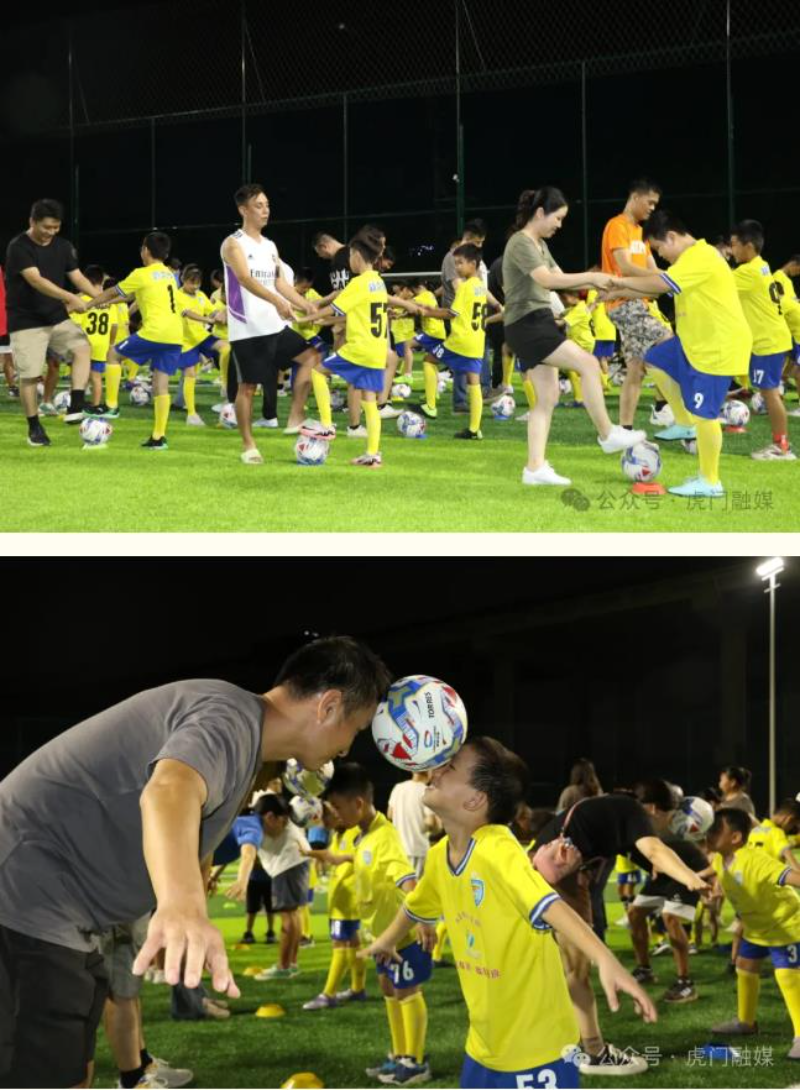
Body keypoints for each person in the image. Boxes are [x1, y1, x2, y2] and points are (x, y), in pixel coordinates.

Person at [0, 635, 391, 1089]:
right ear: (328, 706)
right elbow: (170, 789)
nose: (347, 748)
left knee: (72, 1068)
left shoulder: (244, 740)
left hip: (63, 908)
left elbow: (196, 831)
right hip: (27, 893)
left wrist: (191, 908)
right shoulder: (229, 717)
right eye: (356, 729)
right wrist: (180, 905)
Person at [362, 737, 657, 1089]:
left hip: (538, 1050)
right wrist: (388, 940)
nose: (436, 769)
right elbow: (415, 906)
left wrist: (604, 958)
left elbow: (549, 904)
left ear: (475, 799)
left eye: (450, 767)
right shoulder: (440, 856)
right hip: (483, 1045)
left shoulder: (497, 848)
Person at [532, 791, 709, 1076]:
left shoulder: (609, 814)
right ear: (654, 809)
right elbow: (655, 851)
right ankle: (594, 1051)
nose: (668, 826)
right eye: (669, 816)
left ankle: (555, 1040)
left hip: (542, 868)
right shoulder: (632, 812)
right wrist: (690, 877)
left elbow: (653, 860)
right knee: (576, 970)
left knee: (552, 966)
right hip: (561, 878)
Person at [502, 187, 646, 488]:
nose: (560, 225)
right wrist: (592, 277)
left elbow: (560, 277)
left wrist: (605, 285)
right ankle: (607, 434)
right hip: (528, 324)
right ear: (540, 213)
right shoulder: (520, 242)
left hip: (537, 321)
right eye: (557, 218)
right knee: (589, 364)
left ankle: (534, 468)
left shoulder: (540, 245)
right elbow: (547, 280)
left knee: (548, 398)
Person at [609, 209, 753, 497]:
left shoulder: (701, 257)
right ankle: (685, 424)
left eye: (659, 248)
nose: (660, 256)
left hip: (717, 347)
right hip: (693, 343)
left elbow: (662, 284)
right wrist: (616, 293)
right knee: (654, 360)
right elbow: (659, 287)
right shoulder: (690, 260)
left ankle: (710, 481)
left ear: (672, 237)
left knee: (706, 415)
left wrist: (621, 283)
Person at [313, 762, 432, 1086]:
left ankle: (416, 1061)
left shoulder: (385, 836)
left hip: (401, 935)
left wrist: (422, 918)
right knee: (388, 989)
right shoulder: (361, 836)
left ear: (358, 803)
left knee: (407, 991)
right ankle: (399, 1054)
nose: (334, 814)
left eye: (337, 807)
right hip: (380, 936)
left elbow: (406, 878)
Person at [298, 231, 420, 469]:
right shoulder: (377, 281)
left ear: (357, 255)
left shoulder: (358, 282)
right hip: (376, 349)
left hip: (359, 347)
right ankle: (372, 455)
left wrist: (306, 318)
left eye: (351, 256)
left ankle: (326, 425)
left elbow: (335, 309)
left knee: (318, 373)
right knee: (369, 401)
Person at [220, 183, 315, 465]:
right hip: (248, 328)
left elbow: (279, 283)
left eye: (267, 205)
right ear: (243, 210)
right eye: (259, 206)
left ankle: (295, 416)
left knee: (311, 356)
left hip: (274, 326)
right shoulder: (232, 243)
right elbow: (244, 278)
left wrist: (304, 304)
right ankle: (249, 445)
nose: (265, 211)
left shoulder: (270, 245)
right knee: (248, 388)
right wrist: (277, 302)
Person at [4, 197, 102, 447]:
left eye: (56, 227)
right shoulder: (18, 247)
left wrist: (98, 297)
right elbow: (36, 280)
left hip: (56, 317)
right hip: (26, 321)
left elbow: (77, 276)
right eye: (46, 227)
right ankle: (34, 427)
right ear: (32, 222)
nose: (51, 232)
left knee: (82, 348)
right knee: (30, 376)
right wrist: (70, 297)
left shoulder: (63, 246)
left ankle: (76, 404)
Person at [707, 807, 800, 1059]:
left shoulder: (755, 860)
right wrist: (691, 878)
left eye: (715, 829)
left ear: (735, 837)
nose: (709, 833)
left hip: (784, 924)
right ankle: (746, 1023)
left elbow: (791, 876)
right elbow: (711, 871)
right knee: (745, 967)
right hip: (755, 926)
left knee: (787, 975)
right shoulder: (720, 858)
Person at [85, 231, 184, 449]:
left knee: (113, 355)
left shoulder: (141, 273)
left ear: (145, 251)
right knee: (160, 385)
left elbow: (113, 291)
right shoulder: (169, 275)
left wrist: (88, 304)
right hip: (175, 334)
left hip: (155, 332)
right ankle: (158, 437)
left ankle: (111, 405)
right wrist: (109, 303)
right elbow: (131, 295)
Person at [625, 780, 709, 1005]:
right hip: (662, 871)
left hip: (689, 869)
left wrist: (708, 876)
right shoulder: (641, 820)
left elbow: (702, 843)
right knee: (635, 913)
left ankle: (685, 983)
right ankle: (644, 969)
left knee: (670, 917)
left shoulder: (681, 819)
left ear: (651, 806)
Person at [600, 179, 675, 433]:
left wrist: (670, 279)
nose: (652, 208)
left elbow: (652, 268)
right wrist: (667, 280)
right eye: (649, 202)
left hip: (638, 302)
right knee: (668, 341)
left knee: (635, 369)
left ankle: (625, 430)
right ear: (635, 197)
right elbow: (625, 267)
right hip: (622, 302)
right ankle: (671, 411)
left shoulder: (641, 233)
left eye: (655, 204)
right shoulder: (617, 225)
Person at [100, 916, 193, 1089]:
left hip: (129, 906)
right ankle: (132, 1081)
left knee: (130, 984)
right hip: (115, 908)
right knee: (120, 987)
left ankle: (143, 1065)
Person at [730, 220, 796, 461]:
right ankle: (781, 445)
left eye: (734, 245)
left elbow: (717, 282)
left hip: (768, 342)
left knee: (770, 393)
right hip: (771, 339)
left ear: (748, 246)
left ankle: (782, 447)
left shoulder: (747, 272)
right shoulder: (762, 267)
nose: (732, 250)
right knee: (768, 391)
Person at [416, 243, 489, 439]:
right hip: (476, 341)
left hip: (460, 341)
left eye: (460, 263)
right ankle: (474, 429)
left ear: (473, 264)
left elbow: (451, 313)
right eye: (456, 263)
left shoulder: (465, 287)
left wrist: (428, 312)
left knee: (429, 359)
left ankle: (430, 406)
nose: (457, 267)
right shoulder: (480, 287)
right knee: (474, 382)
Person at [302, 808, 367, 1011]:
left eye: (329, 816)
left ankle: (329, 994)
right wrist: (307, 852)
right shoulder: (340, 834)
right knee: (353, 942)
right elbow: (332, 856)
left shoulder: (356, 833)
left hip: (348, 900)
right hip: (341, 898)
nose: (325, 821)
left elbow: (366, 858)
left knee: (340, 944)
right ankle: (358, 989)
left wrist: (344, 858)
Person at [251, 794, 311, 980]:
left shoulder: (261, 822)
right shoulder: (260, 821)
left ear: (270, 816)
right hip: (298, 862)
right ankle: (291, 964)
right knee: (294, 914)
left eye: (284, 821)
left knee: (288, 917)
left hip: (287, 864)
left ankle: (283, 967)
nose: (284, 824)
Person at [174, 264, 230, 427]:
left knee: (226, 348)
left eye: (198, 283)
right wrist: (209, 320)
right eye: (192, 282)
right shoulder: (177, 295)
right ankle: (191, 414)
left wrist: (220, 315)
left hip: (201, 336)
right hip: (185, 341)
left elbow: (211, 310)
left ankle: (225, 385)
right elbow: (187, 313)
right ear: (183, 279)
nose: (195, 286)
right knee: (190, 374)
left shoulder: (200, 295)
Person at [69, 263, 118, 418]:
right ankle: (95, 406)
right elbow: (114, 326)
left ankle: (76, 405)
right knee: (96, 377)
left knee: (79, 375)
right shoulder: (109, 303)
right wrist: (110, 343)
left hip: (84, 344)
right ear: (101, 281)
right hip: (101, 344)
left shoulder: (81, 300)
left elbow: (75, 324)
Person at [388, 771, 436, 877]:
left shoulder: (398, 788)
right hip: (417, 850)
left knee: (401, 885)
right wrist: (437, 827)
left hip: (398, 851)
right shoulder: (426, 791)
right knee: (415, 886)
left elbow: (390, 814)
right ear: (429, 772)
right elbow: (430, 822)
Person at [748, 799, 800, 873]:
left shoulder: (754, 831)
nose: (791, 829)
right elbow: (793, 863)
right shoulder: (778, 833)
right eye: (793, 825)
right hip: (770, 878)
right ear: (789, 819)